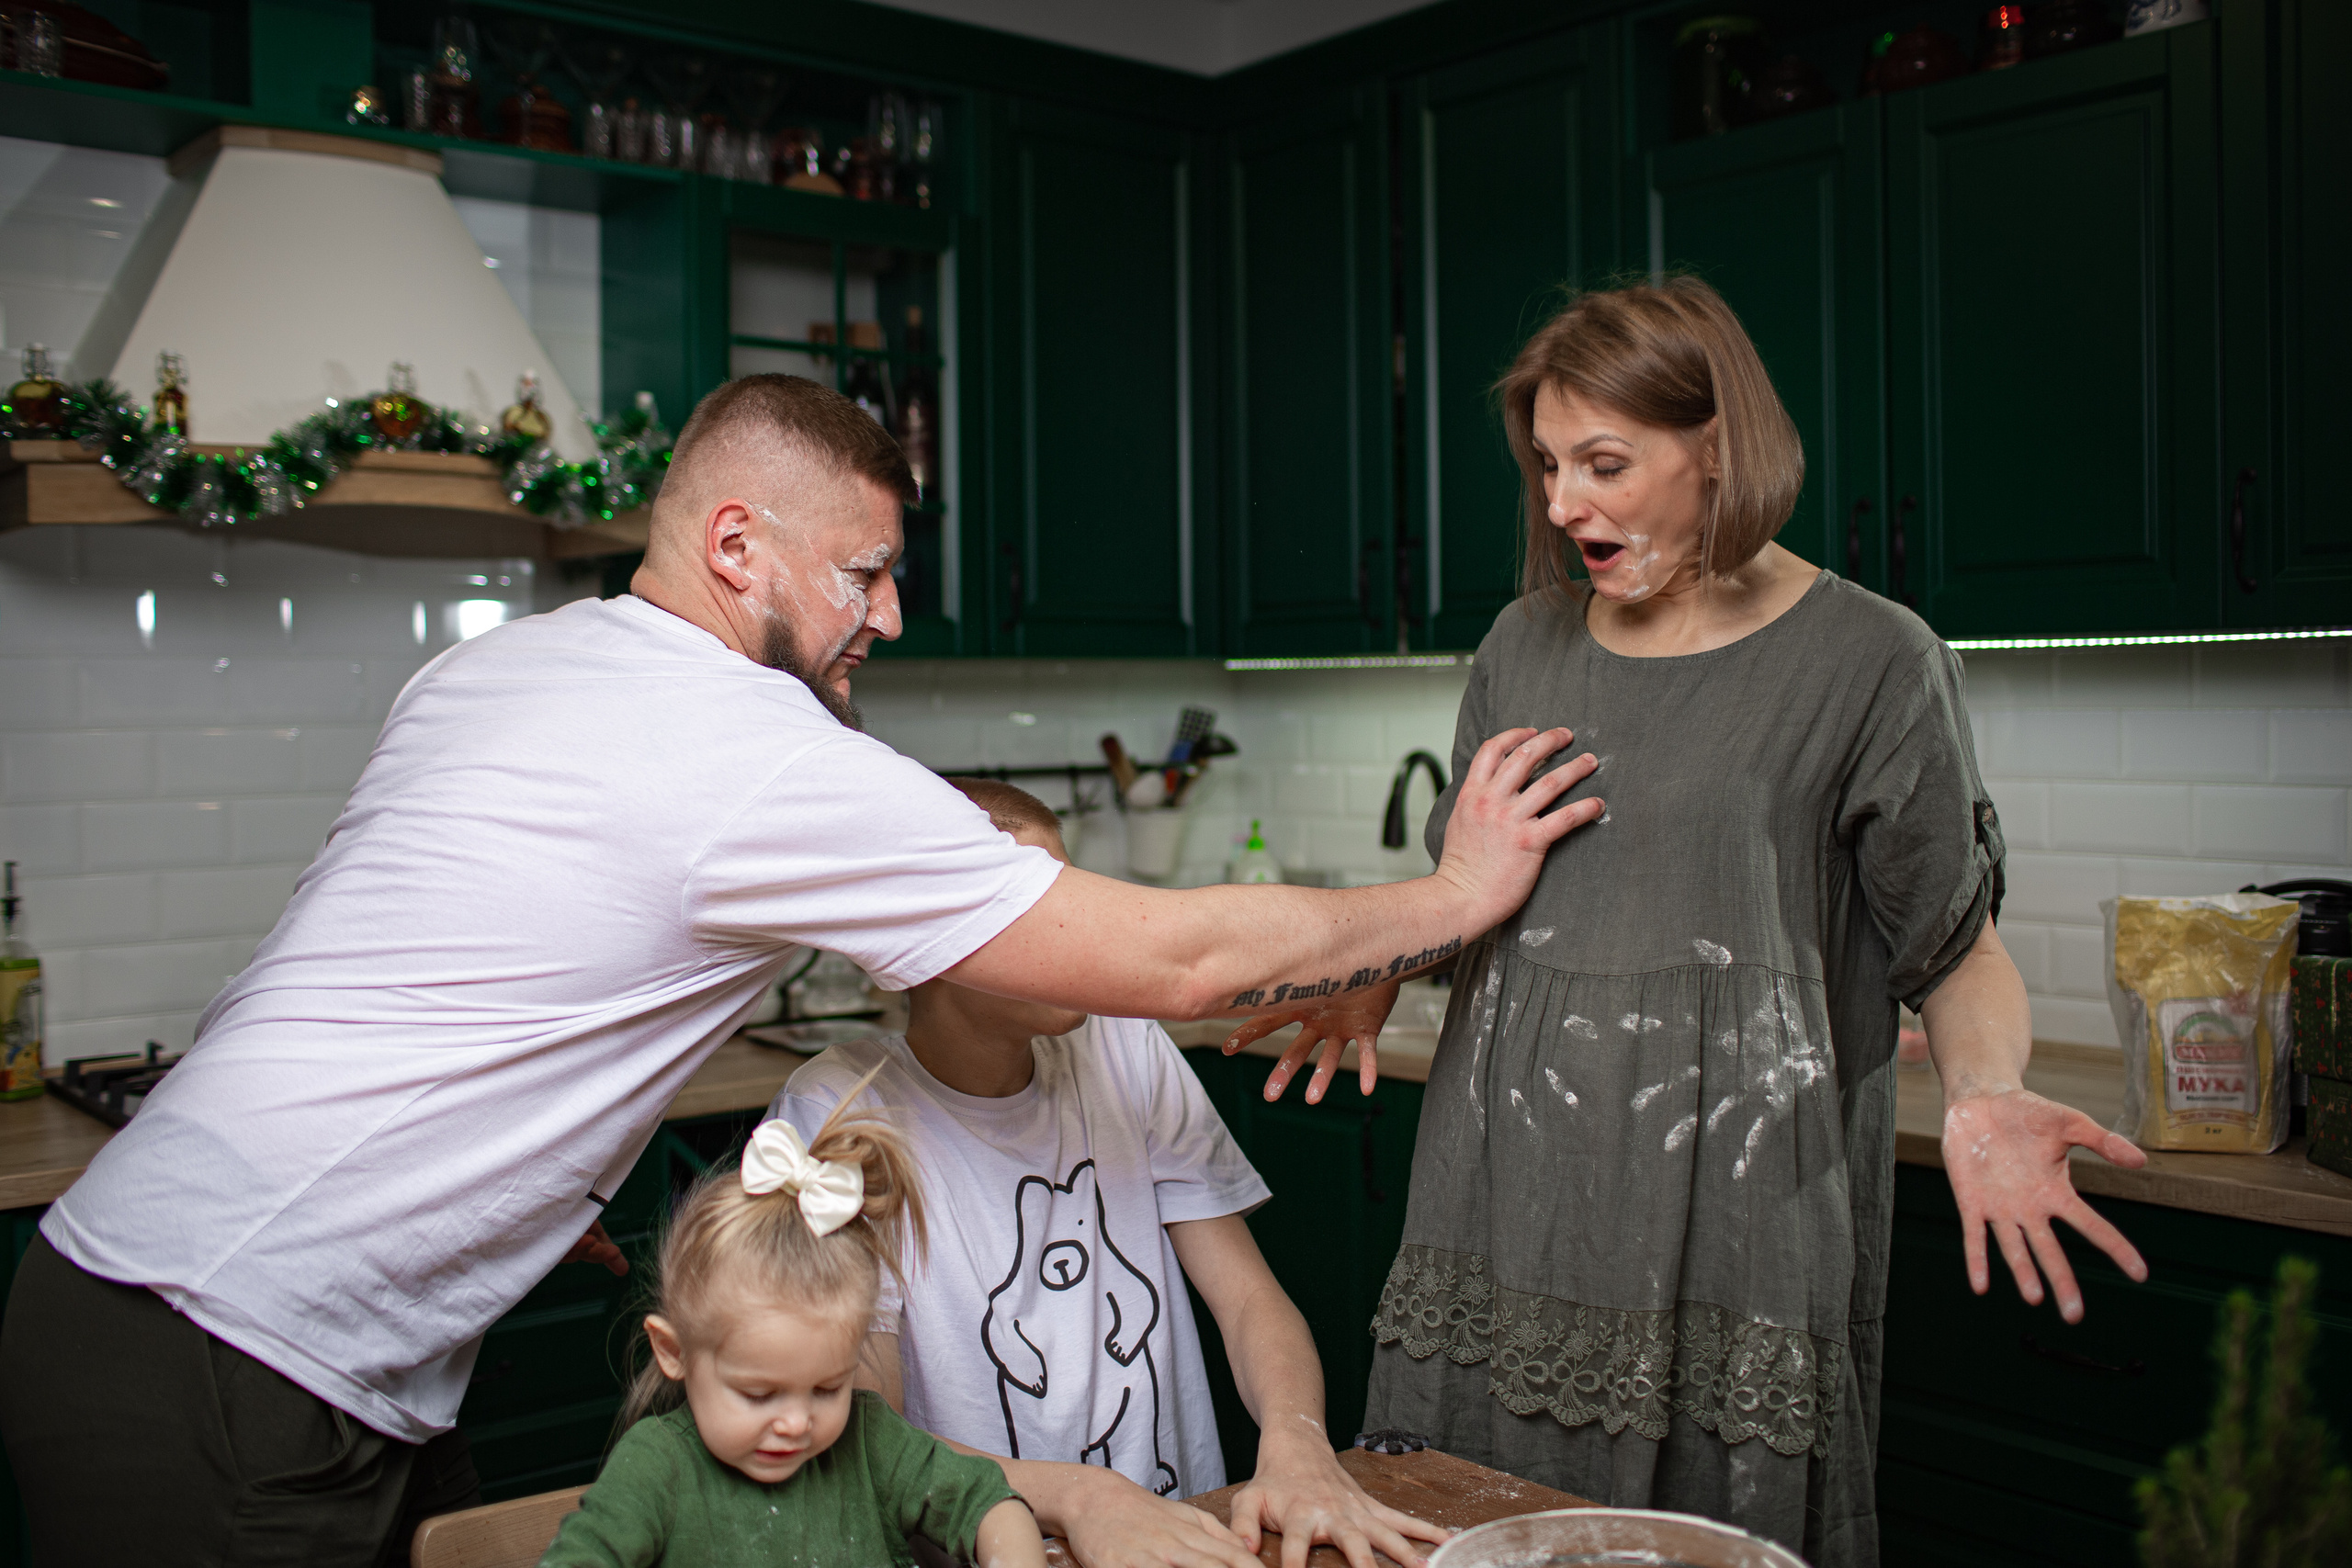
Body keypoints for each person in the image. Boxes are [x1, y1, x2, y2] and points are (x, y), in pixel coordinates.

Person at [0, 374, 1605, 1568]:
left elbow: (357, 947)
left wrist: (520, 1182)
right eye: (865, 574)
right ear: (736, 544)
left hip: (143, 1296)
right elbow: (1173, 956)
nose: (891, 615)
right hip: (233, 1361)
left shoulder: (504, 663)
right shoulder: (757, 753)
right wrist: (1455, 888)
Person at [1225, 279, 2152, 1567]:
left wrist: (1990, 1089)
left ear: (1719, 448)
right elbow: (1478, 881)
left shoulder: (1874, 660)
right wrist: (1381, 971)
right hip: (1500, 1210)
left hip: (1737, 1227)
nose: (1562, 504)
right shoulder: (1521, 645)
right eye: (1547, 464)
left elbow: (1954, 946)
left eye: (1605, 462)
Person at [776, 779, 1450, 1568]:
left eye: (1072, 897)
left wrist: (1297, 1443)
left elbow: (1247, 1302)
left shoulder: (1122, 1045)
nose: (1075, 934)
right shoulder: (839, 1107)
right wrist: (1084, 1496)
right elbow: (865, 1423)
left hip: (1188, 1533)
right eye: (1031, 911)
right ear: (916, 947)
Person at [538, 1085, 1043, 1568]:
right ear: (675, 1351)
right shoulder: (657, 1467)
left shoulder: (870, 1441)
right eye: (759, 1394)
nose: (797, 1423)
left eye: (827, 1389)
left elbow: (992, 1505)